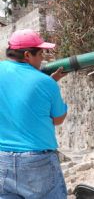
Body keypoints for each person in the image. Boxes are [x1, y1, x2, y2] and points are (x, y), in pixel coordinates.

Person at [0, 29, 68, 198]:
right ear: (28, 55)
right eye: (40, 53)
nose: (43, 58)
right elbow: (58, 119)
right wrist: (50, 83)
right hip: (37, 161)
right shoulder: (45, 83)